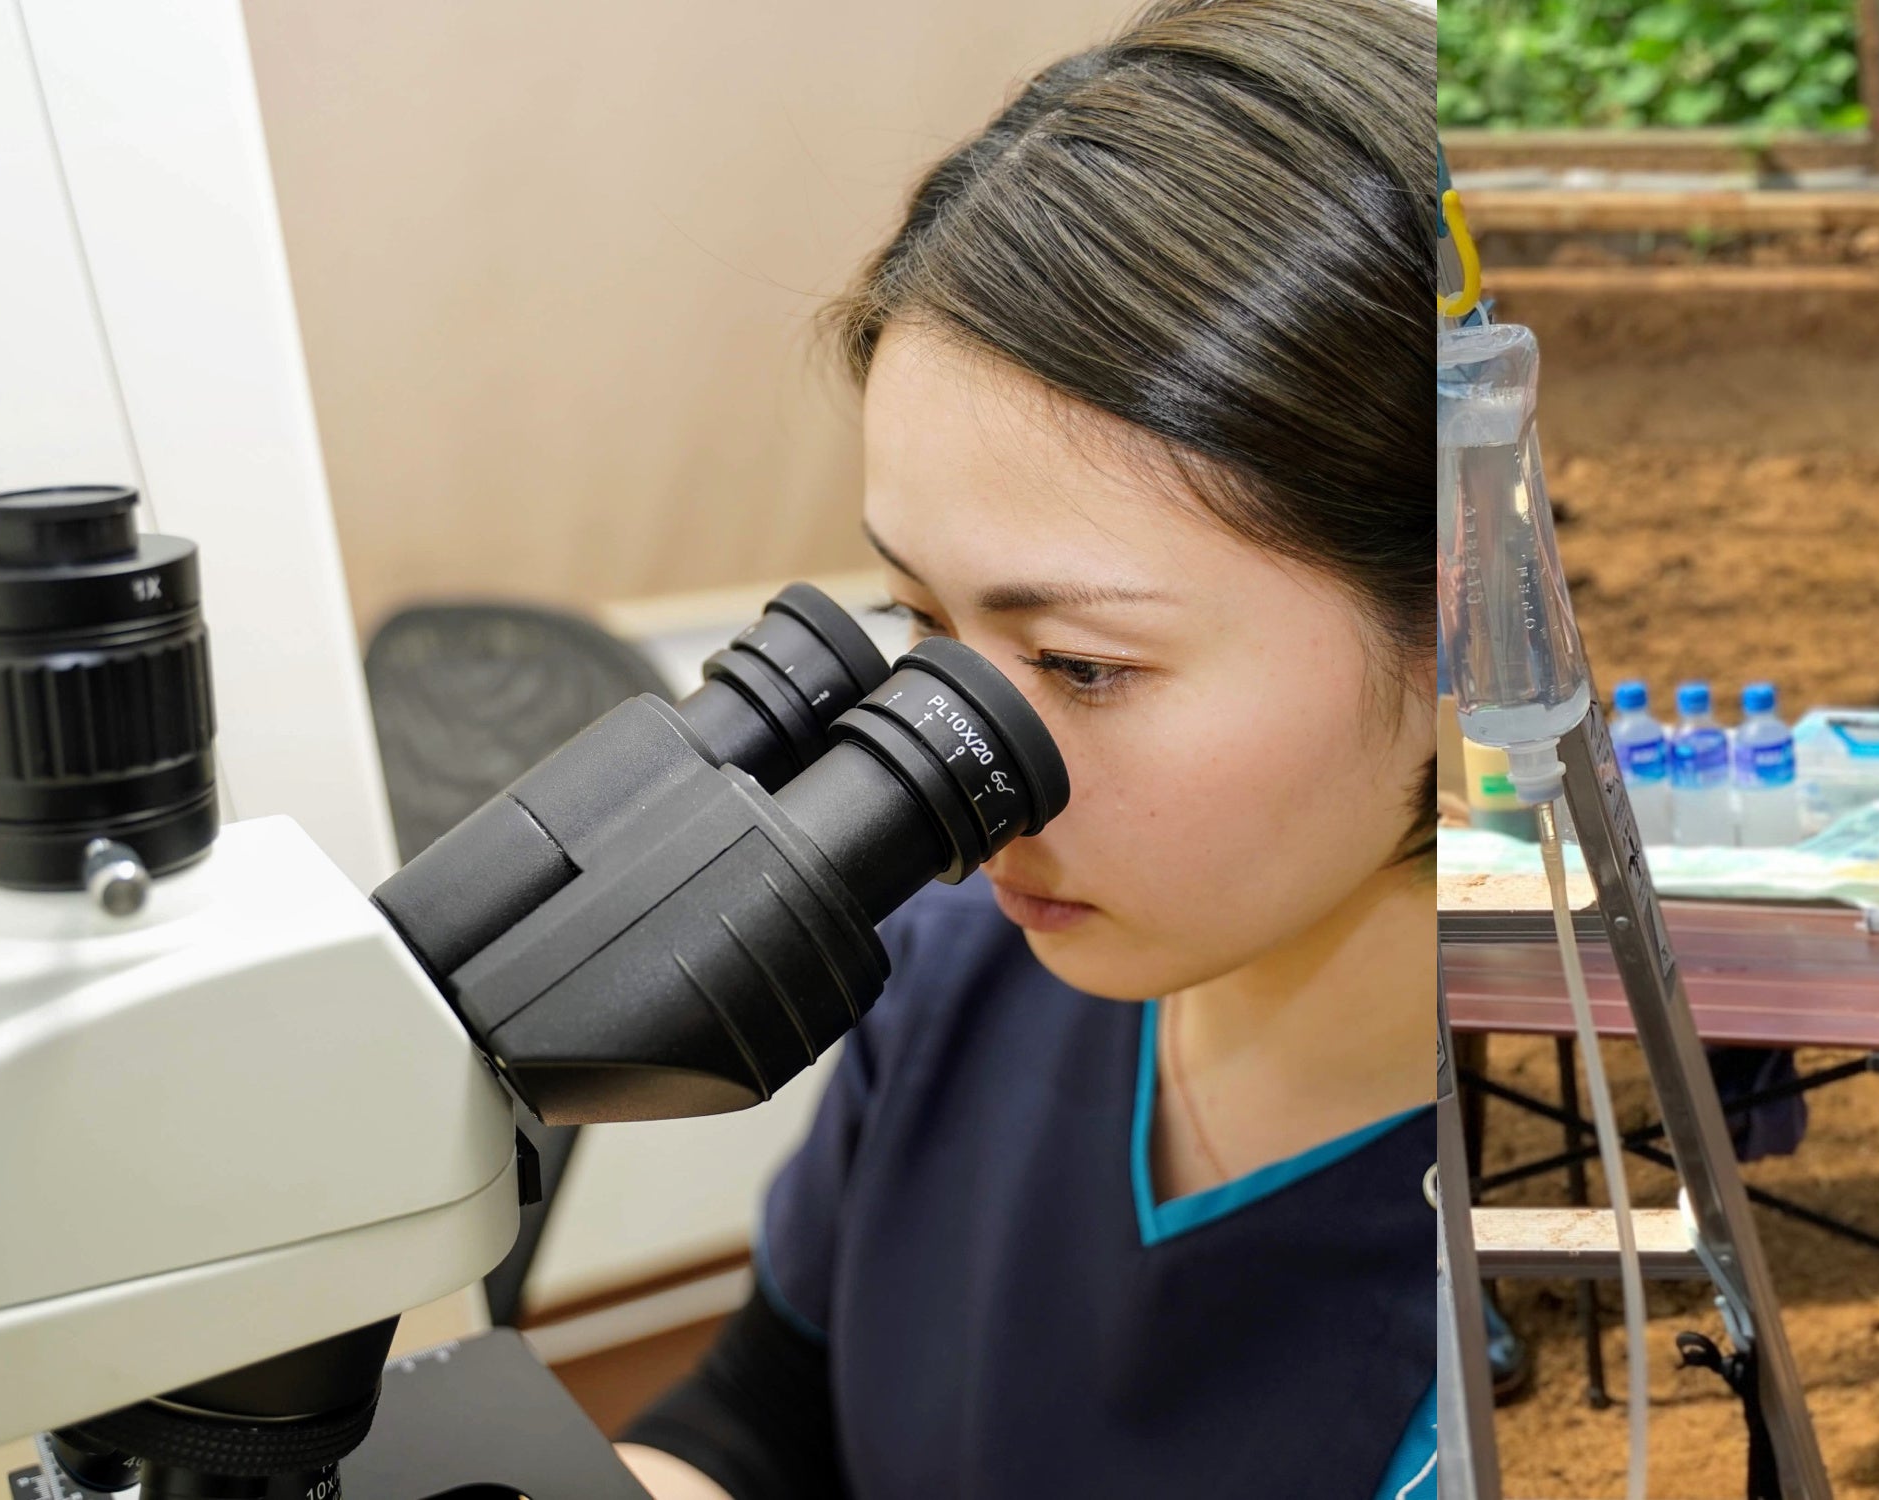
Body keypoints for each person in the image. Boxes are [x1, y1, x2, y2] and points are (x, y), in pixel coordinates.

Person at [612, 4, 1439, 1496]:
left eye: (1078, 666)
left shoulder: (1569, 1254)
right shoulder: (958, 961)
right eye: (916, 620)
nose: (954, 775)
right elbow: (764, 1410)